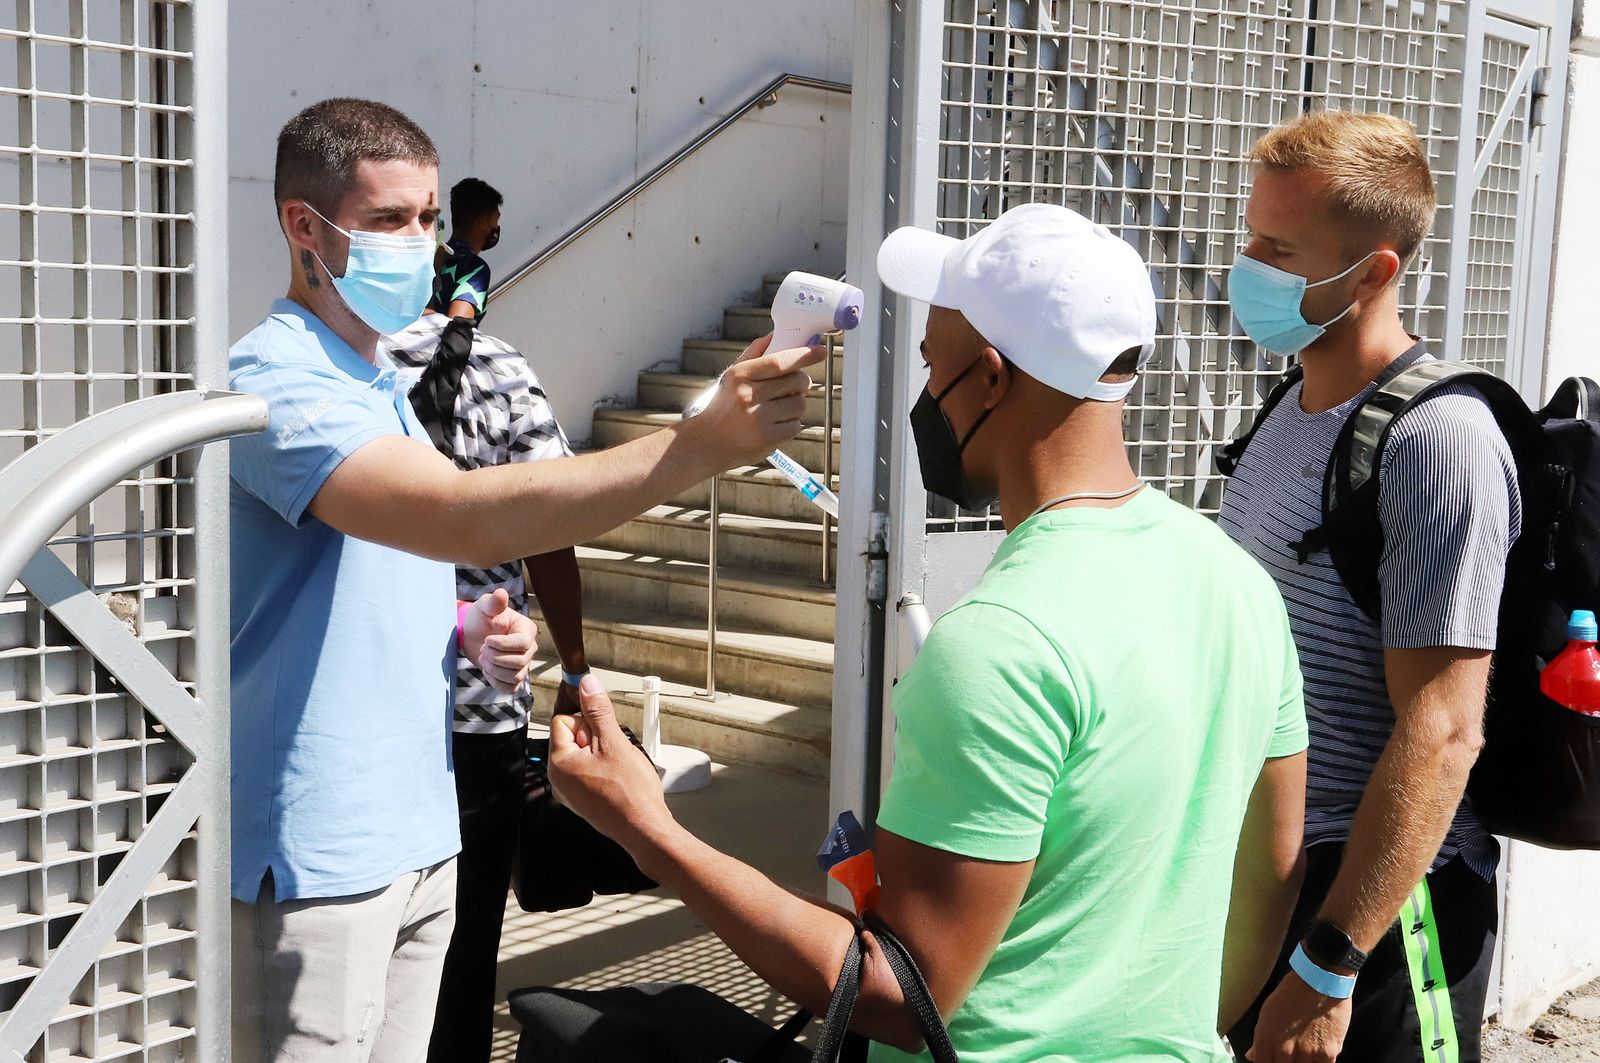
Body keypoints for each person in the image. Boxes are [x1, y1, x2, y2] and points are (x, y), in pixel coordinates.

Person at [548, 203, 1310, 1062]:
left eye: (930, 363)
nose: (923, 390)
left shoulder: (1000, 642)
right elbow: (1271, 877)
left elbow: (897, 994)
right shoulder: (1240, 583)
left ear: (989, 379)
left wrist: (646, 826)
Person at [227, 97, 822, 1063]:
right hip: (319, 860)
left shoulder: (376, 380)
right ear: (305, 226)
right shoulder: (277, 378)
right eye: (389, 220)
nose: (420, 244)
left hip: (422, 837)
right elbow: (456, 513)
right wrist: (694, 446)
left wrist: (467, 625)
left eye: (428, 217)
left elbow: (381, 554)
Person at [1219, 110, 1520, 1063]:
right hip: (1270, 890)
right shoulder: (1289, 404)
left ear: (1373, 272)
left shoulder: (1438, 442)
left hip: (1382, 922)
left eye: (1279, 250)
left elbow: (1444, 731)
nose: (1247, 266)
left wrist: (1329, 967)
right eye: (1251, 235)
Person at [386, 310, 589, 1063]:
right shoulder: (503, 369)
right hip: (482, 704)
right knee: (465, 943)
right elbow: (551, 530)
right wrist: (576, 668)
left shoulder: (357, 360)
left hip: (371, 699)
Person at [430, 176, 501, 323]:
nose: (497, 227)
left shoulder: (435, 256)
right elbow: (456, 327)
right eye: (496, 220)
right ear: (483, 223)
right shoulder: (474, 269)